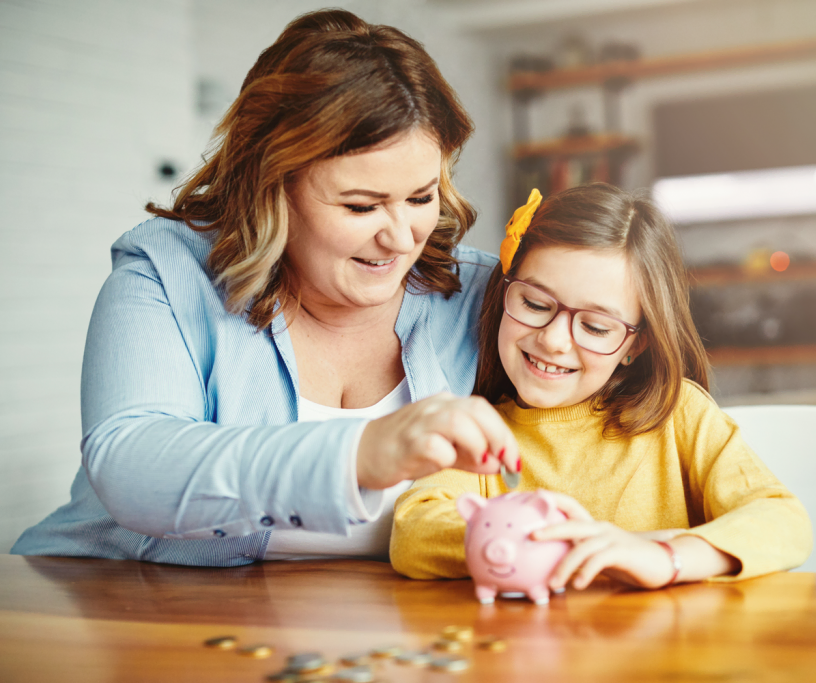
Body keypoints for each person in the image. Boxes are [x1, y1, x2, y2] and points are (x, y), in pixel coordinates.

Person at [12, 9, 519, 566]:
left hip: (380, 630)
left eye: (421, 198)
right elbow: (130, 465)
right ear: (272, 187)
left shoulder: (477, 293)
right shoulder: (165, 273)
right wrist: (360, 453)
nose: (400, 238)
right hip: (114, 607)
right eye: (360, 205)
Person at [391, 184, 813, 588]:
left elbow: (782, 519)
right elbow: (414, 533)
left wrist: (666, 557)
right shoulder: (481, 432)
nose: (554, 341)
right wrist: (548, 543)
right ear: (503, 293)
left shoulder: (679, 415)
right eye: (535, 304)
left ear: (635, 344)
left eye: (595, 327)